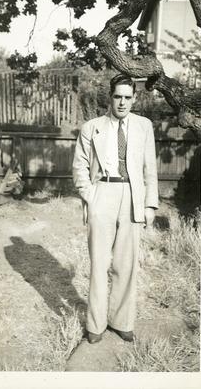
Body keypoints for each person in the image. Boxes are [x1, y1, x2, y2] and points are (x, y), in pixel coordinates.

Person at [72, 73, 158, 344]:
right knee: (99, 264)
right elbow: (80, 167)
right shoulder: (92, 127)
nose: (122, 102)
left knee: (126, 264)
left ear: (134, 98)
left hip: (132, 195)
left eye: (127, 97)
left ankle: (122, 321)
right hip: (103, 193)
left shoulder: (144, 126)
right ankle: (95, 326)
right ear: (110, 97)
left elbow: (150, 169)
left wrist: (149, 204)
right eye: (117, 96)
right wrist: (91, 197)